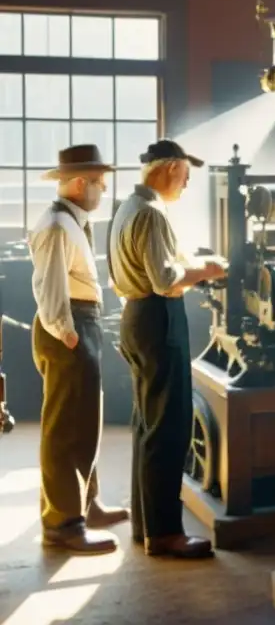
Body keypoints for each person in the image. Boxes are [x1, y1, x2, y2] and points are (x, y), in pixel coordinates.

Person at [108, 139, 226, 559]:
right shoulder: (153, 213)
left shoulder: (126, 208)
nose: (188, 182)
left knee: (147, 424)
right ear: (172, 167)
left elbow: (150, 264)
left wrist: (190, 260)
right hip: (158, 318)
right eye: (186, 174)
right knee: (170, 427)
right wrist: (208, 269)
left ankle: (147, 525)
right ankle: (165, 534)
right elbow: (165, 278)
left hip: (135, 318)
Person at [29, 144, 130, 554]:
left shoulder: (73, 221)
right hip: (67, 327)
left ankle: (86, 505)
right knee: (65, 427)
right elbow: (48, 288)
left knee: (86, 418)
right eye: (97, 182)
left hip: (81, 323)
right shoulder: (56, 225)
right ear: (76, 183)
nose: (102, 189)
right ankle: (63, 523)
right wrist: (68, 334)